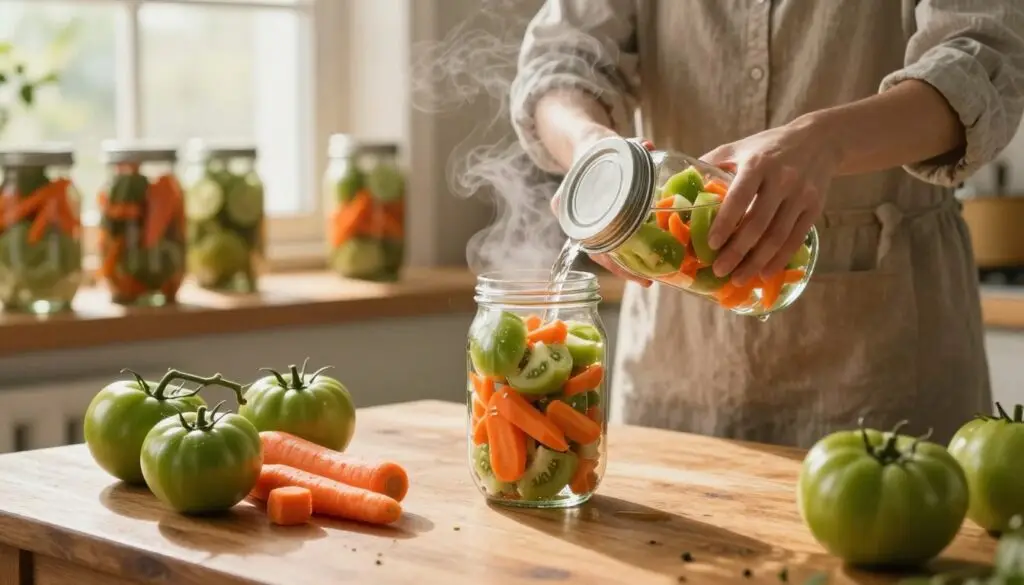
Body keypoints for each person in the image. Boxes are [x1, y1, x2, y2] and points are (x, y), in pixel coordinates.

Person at [509, 0, 1024, 448]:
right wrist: (592, 149)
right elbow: (558, 60)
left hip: (885, 365)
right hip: (676, 367)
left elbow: (985, 58)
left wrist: (825, 141)